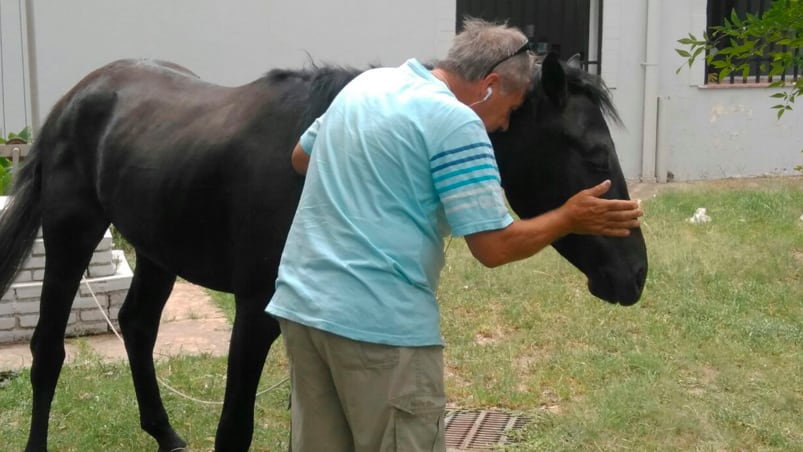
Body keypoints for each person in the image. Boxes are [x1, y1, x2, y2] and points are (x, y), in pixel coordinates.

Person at [267, 19, 643, 452]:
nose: (502, 125)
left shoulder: (369, 85)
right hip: (380, 329)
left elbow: (300, 157)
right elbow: (493, 247)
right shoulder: (457, 123)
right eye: (509, 108)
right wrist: (568, 217)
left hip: (302, 308)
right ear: (490, 84)